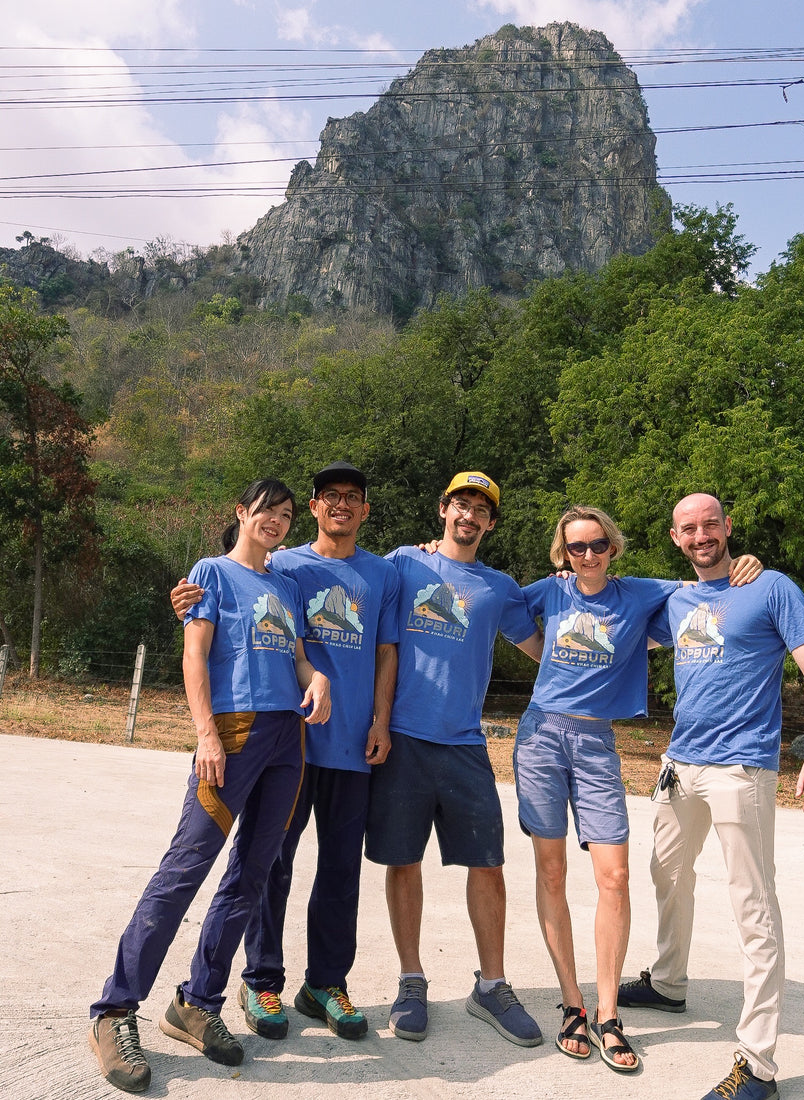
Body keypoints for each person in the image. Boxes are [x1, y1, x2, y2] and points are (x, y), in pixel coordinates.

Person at [88, 479, 330, 1094]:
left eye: (283, 514)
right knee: (185, 868)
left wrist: (318, 677)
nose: (274, 521)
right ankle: (115, 1011)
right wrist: (205, 734)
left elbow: (298, 656)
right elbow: (195, 656)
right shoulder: (211, 574)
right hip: (234, 729)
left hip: (287, 741)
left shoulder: (286, 585)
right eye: (265, 511)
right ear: (242, 514)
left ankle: (197, 1002)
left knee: (252, 874)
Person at [517, 505, 760, 1072]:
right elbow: (489, 603)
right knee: (551, 871)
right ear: (563, 553)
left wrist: (748, 563)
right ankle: (572, 1005)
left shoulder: (643, 595)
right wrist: (431, 549)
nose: (588, 555)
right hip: (540, 735)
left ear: (613, 547)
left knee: (616, 877)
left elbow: (708, 583)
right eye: (576, 547)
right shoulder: (547, 592)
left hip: (597, 742)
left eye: (597, 544)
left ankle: (608, 1015)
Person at [168, 461, 400, 1042]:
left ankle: (326, 982)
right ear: (315, 508)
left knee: (341, 870)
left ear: (365, 510)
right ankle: (261, 978)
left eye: (353, 497)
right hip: (287, 745)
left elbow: (387, 653)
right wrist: (186, 598)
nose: (340, 505)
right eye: (328, 497)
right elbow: (228, 589)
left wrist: (380, 721)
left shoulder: (384, 574)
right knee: (269, 864)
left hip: (351, 744)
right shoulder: (285, 565)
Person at [619, 493, 804, 1100]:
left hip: (741, 769)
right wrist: (573, 571)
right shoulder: (676, 599)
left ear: (728, 527)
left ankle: (759, 1064)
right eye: (688, 529)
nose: (701, 536)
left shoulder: (770, 589)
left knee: (754, 906)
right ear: (675, 537)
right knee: (666, 870)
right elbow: (610, 594)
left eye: (710, 525)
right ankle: (667, 982)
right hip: (679, 764)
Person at [366, 471, 545, 1048]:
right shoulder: (402, 563)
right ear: (443, 510)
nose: (469, 516)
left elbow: (545, 647)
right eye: (460, 505)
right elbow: (342, 577)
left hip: (465, 743)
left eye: (481, 510)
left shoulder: (498, 588)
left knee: (487, 864)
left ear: (490, 523)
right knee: (403, 860)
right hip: (402, 738)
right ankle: (411, 980)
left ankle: (490, 986)